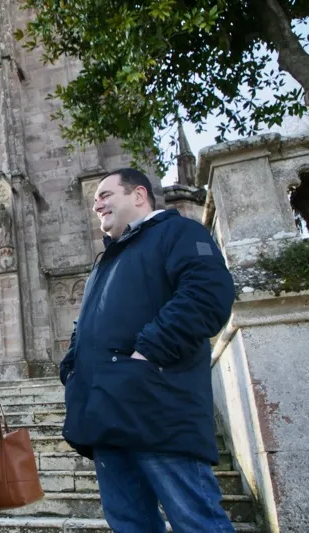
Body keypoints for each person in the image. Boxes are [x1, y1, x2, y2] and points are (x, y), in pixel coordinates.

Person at [60, 168, 236, 532]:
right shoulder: (106, 261)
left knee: (197, 522)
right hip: (107, 417)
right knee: (130, 525)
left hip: (159, 412)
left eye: (105, 194)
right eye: (95, 198)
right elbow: (89, 325)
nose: (96, 203)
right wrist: (72, 367)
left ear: (139, 195)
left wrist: (148, 354)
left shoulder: (179, 232)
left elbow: (207, 295)